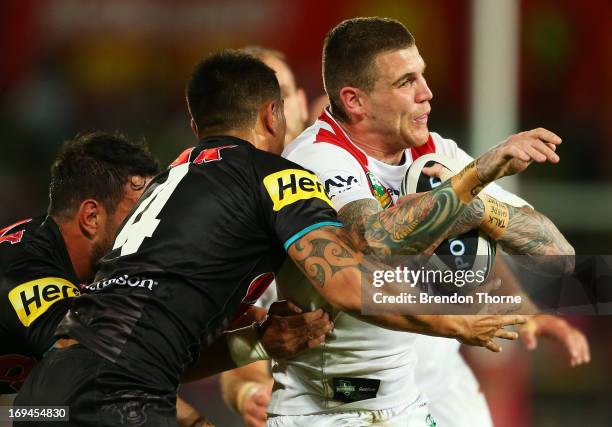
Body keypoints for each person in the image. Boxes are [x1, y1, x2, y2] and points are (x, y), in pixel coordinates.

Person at [15, 50, 545, 426]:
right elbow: (343, 281)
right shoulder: (275, 176)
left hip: (45, 399)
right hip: (122, 401)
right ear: (272, 114)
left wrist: (257, 342)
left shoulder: (166, 184)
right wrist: (452, 319)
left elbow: (153, 340)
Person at [267, 17, 587, 427]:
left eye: (423, 76)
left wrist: (482, 208)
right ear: (355, 101)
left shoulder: (437, 151)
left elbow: (559, 256)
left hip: (406, 401)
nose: (427, 93)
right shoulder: (316, 157)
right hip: (329, 409)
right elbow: (374, 240)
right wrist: (476, 176)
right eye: (406, 82)